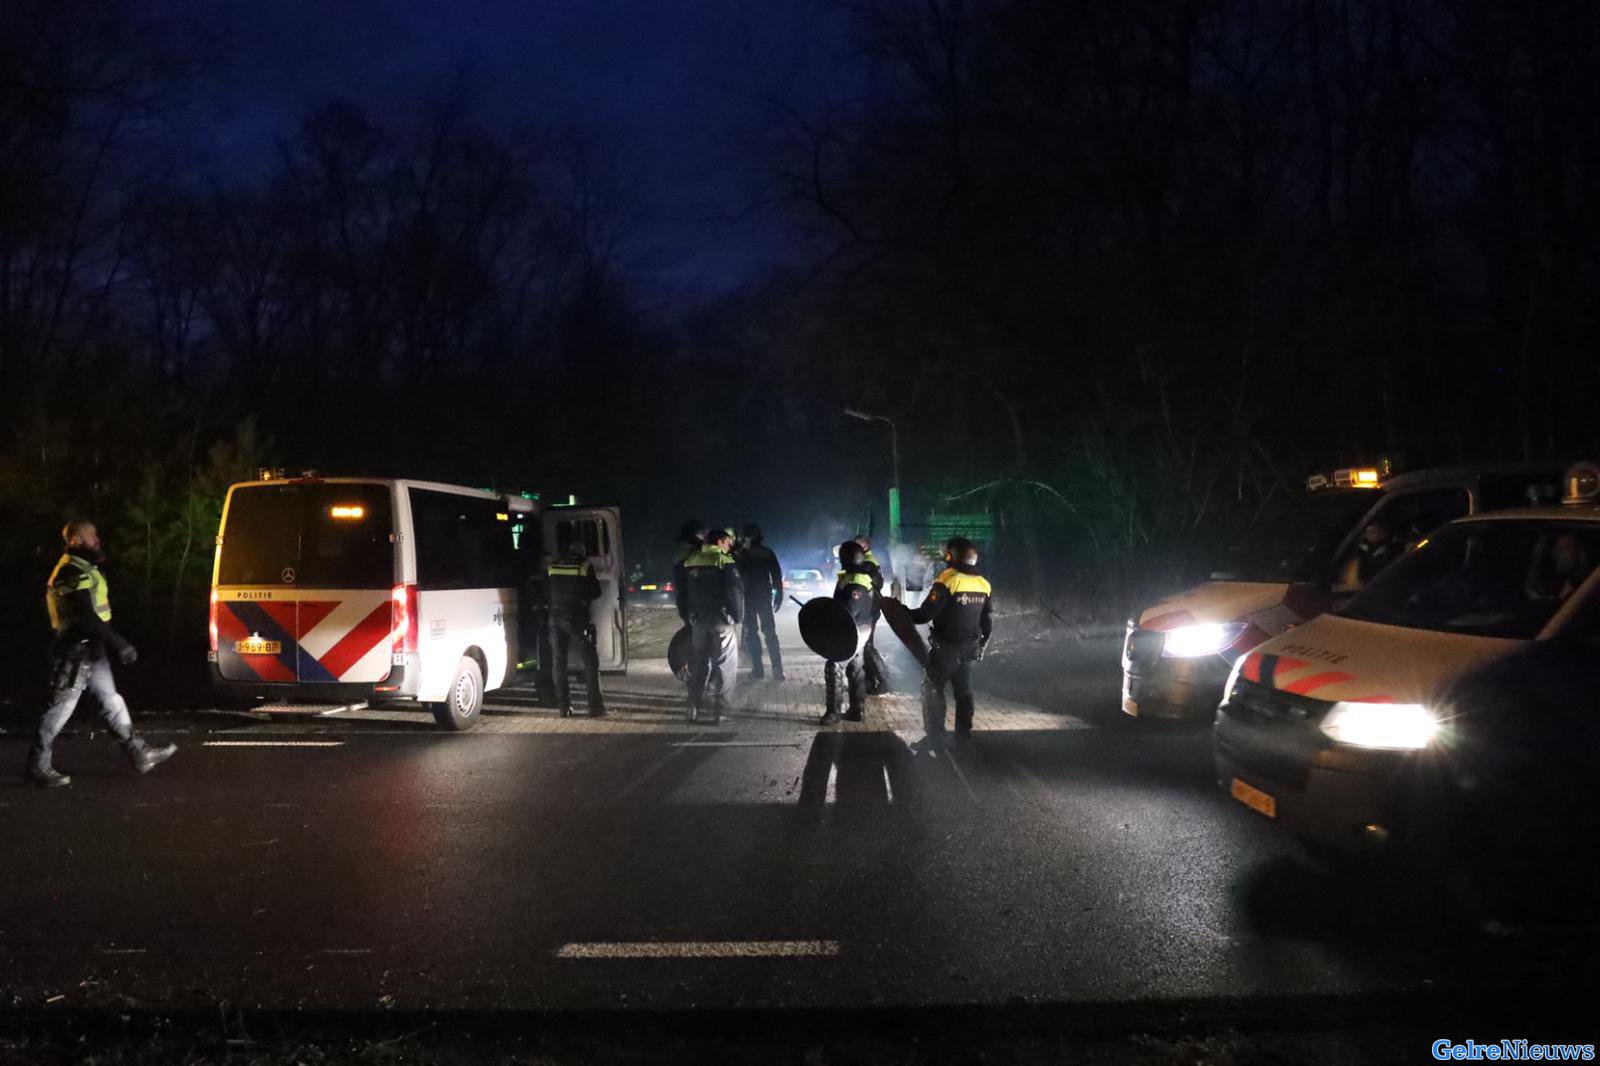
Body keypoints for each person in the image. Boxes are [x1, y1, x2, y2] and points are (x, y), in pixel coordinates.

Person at [25, 520, 177, 788]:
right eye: (91, 535)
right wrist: (120, 644)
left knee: (112, 702)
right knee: (59, 709)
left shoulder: (85, 568)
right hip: (75, 651)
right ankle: (37, 767)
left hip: (91, 649)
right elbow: (85, 615)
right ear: (74, 540)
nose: (97, 538)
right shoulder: (70, 571)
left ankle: (139, 754)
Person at [908, 537, 993, 742]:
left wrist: (903, 614)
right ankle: (963, 734)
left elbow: (926, 614)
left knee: (932, 686)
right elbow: (987, 621)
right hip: (970, 648)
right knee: (963, 690)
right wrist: (982, 645)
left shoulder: (948, 580)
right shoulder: (983, 584)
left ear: (951, 556)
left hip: (946, 648)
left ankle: (935, 735)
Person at [678, 527, 743, 724]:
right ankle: (721, 712)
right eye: (728, 542)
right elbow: (735, 592)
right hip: (720, 621)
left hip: (698, 621)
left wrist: (687, 616)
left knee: (699, 665)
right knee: (724, 664)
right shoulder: (724, 561)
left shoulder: (690, 562)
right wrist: (737, 617)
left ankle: (693, 709)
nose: (730, 546)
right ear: (720, 542)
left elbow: (681, 593)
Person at [546, 542, 607, 717]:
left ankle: (564, 708)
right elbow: (596, 592)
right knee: (590, 661)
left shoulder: (554, 565)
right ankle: (595, 707)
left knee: (558, 662)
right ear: (582, 553)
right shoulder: (585, 565)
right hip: (576, 618)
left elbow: (548, 589)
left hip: (554, 617)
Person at [821, 540, 876, 725]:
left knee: (833, 667)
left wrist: (829, 623)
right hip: (860, 629)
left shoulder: (856, 581)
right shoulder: (858, 576)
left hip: (852, 630)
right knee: (856, 669)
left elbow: (848, 611)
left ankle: (833, 712)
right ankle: (856, 710)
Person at [736, 524, 785, 680]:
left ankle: (758, 669)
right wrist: (779, 595)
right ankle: (777, 670)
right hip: (762, 597)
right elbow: (776, 575)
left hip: (749, 599)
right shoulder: (767, 553)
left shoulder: (741, 554)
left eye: (744, 537)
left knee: (752, 634)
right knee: (769, 633)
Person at [854, 534, 891, 694]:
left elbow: (866, 587)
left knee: (866, 646)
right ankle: (869, 682)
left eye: (856, 546)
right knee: (865, 645)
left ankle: (883, 681)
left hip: (868, 610)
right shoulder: (868, 561)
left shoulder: (867, 564)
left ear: (864, 546)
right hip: (869, 608)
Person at [525, 551, 557, 706]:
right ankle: (546, 696)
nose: (549, 566)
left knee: (547, 662)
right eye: (547, 563)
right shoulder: (540, 580)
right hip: (543, 625)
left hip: (546, 624)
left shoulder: (542, 579)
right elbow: (535, 603)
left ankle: (547, 695)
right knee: (545, 662)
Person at [1336, 519, 1400, 593]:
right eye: (1367, 532)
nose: (1368, 535)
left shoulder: (1391, 549)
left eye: (1374, 532)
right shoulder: (1359, 550)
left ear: (1383, 533)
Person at [672, 519, 706, 627]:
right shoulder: (689, 553)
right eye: (701, 534)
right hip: (692, 603)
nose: (704, 537)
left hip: (688, 603)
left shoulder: (684, 551)